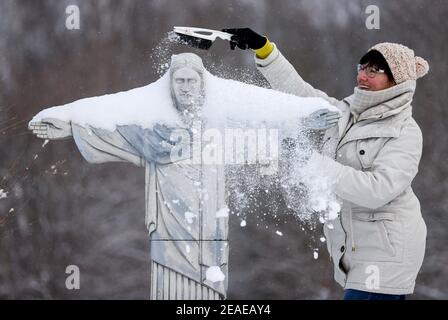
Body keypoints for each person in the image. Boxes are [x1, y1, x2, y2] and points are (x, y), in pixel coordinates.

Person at [223, 28, 429, 300]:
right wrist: (264, 49)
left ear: (396, 82)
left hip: (387, 251)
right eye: (362, 67)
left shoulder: (404, 130)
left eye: (374, 70)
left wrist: (313, 164)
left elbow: (378, 190)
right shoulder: (346, 113)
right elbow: (300, 94)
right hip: (354, 249)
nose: (363, 76)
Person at [29, 53, 229, 300]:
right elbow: (111, 130)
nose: (186, 88)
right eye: (180, 81)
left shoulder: (220, 127)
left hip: (210, 229)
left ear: (202, 84)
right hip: (168, 231)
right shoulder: (153, 130)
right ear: (171, 85)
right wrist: (70, 125)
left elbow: (267, 131)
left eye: (191, 81)